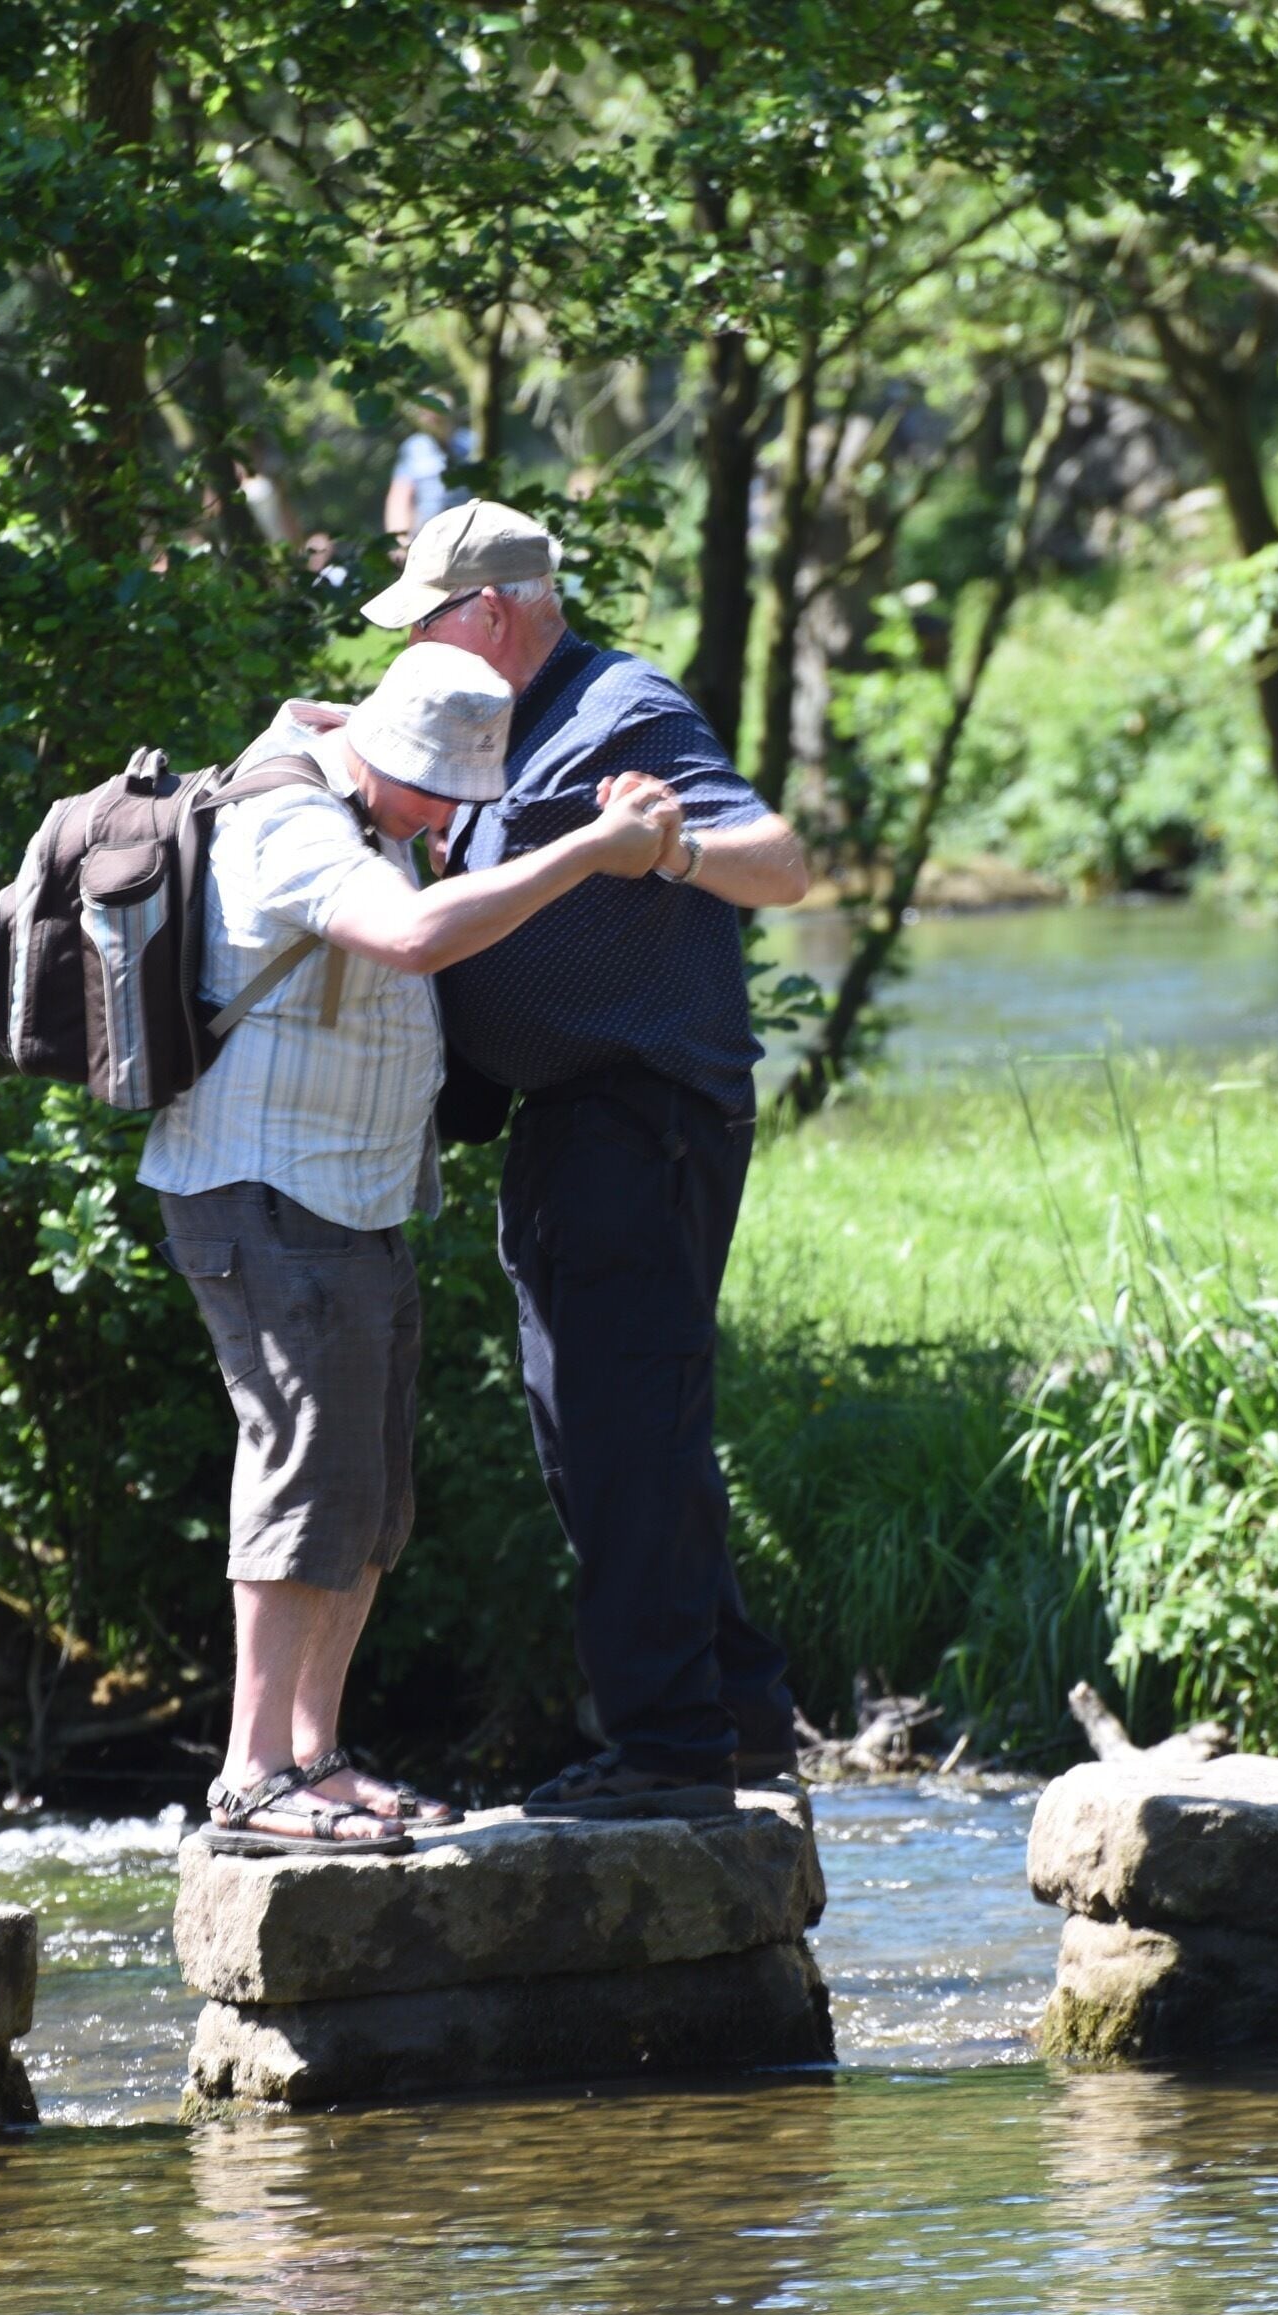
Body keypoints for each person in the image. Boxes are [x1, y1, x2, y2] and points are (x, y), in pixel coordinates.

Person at [142, 641, 684, 1854]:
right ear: (382, 753)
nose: (451, 821)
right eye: (441, 796)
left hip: (353, 1193)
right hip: (263, 1190)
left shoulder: (375, 792)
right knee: (300, 1465)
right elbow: (411, 936)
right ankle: (250, 1773)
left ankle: (315, 1758)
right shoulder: (290, 820)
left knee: (369, 1490)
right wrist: (590, 852)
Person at [360, 502, 811, 1819]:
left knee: (618, 1433)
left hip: (642, 1118)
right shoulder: (507, 718)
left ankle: (670, 1747)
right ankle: (734, 1710)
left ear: (489, 615)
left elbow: (778, 865)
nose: (410, 656)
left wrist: (663, 846)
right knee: (621, 1426)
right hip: (581, 1125)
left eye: (427, 623)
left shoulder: (617, 706)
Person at [384, 400, 476, 545]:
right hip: (429, 538)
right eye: (426, 412)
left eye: (437, 410)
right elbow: (400, 497)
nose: (431, 416)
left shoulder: (471, 441)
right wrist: (401, 540)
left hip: (473, 532)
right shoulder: (413, 448)